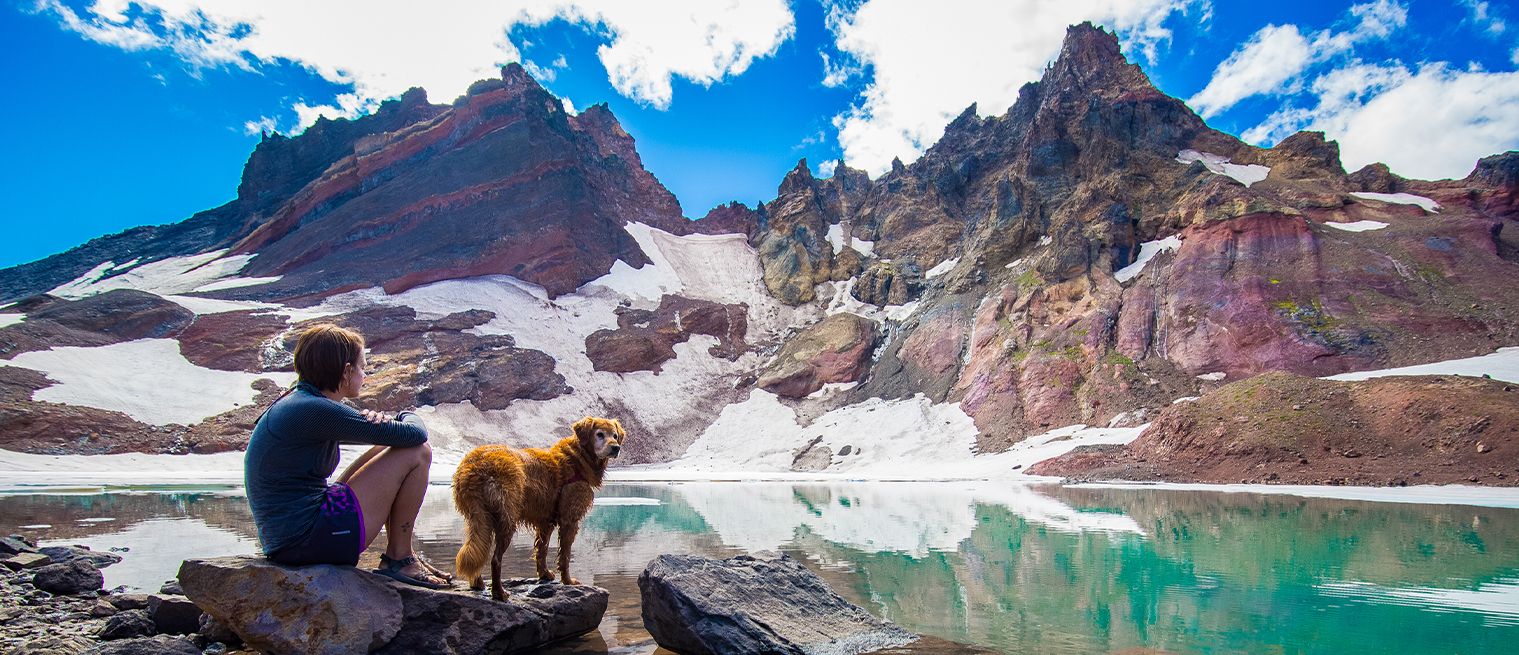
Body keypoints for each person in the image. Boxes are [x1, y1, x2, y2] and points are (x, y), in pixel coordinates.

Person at [245, 323, 451, 588]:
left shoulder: (301, 402)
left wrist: (387, 426)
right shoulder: (313, 409)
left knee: (387, 448)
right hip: (305, 542)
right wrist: (405, 416)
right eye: (362, 367)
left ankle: (402, 555)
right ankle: (399, 559)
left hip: (289, 540)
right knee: (417, 452)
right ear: (346, 371)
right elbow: (415, 435)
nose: (364, 375)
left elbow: (394, 438)